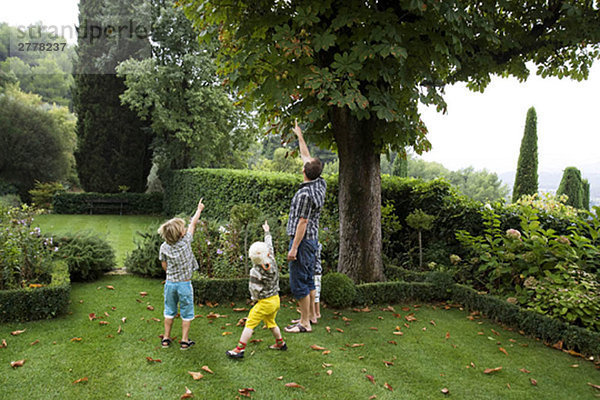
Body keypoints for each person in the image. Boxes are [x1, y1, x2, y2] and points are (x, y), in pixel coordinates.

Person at [284, 120, 326, 333]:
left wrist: (293, 248)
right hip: (312, 241)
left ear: (304, 172)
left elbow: (302, 222)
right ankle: (309, 317)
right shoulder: (320, 184)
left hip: (302, 241)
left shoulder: (304, 194)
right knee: (309, 280)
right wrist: (299, 135)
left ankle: (304, 323)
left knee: (299, 282)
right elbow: (306, 156)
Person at [226, 220, 286, 358]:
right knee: (271, 322)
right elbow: (269, 246)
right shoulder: (272, 261)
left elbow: (254, 289)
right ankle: (280, 343)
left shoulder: (255, 271)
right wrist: (267, 232)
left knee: (250, 323)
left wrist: (254, 299)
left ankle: (239, 349)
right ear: (267, 253)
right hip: (275, 299)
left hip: (264, 302)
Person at [157, 198, 204, 350]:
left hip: (170, 283)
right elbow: (193, 223)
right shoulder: (186, 241)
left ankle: (166, 338)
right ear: (181, 234)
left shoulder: (164, 247)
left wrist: (170, 273)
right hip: (184, 284)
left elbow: (164, 265)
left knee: (169, 310)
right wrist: (199, 209)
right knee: (187, 312)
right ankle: (184, 340)